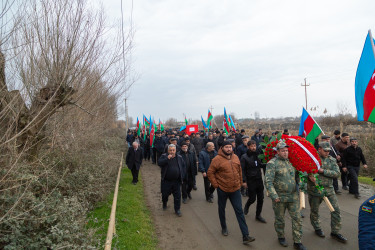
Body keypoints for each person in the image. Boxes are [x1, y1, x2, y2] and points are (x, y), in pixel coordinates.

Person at [207, 141, 255, 245]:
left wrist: (241, 182)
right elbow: (210, 172)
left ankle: (245, 235)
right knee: (222, 209)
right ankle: (224, 227)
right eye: (227, 147)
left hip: (235, 189)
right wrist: (216, 185)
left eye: (230, 147)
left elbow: (239, 170)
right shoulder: (217, 159)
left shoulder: (236, 157)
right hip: (223, 189)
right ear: (222, 148)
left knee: (239, 212)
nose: (229, 149)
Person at [265, 141, 305, 250]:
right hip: (280, 198)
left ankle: (297, 241)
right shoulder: (272, 163)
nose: (285, 152)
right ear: (277, 152)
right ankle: (281, 236)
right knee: (280, 219)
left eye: (287, 150)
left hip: (293, 196)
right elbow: (268, 182)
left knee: (297, 219)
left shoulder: (291, 162)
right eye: (283, 151)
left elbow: (298, 177)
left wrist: (301, 184)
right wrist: (274, 196)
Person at [307, 142, 347, 243]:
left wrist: (323, 171)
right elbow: (303, 171)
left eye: (329, 151)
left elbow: (337, 173)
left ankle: (335, 232)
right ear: (319, 149)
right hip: (315, 190)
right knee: (314, 211)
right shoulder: (312, 159)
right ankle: (317, 228)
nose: (327, 152)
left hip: (329, 189)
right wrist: (308, 176)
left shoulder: (331, 160)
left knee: (336, 210)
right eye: (325, 151)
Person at [241, 140, 266, 223]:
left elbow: (259, 165)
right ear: (248, 147)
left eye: (254, 146)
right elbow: (242, 170)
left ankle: (258, 215)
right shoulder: (244, 157)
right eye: (252, 146)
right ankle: (247, 205)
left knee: (261, 199)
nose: (253, 147)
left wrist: (267, 163)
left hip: (259, 179)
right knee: (252, 198)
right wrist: (244, 181)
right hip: (251, 180)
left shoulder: (257, 155)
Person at [158, 144, 186, 217]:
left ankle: (177, 210)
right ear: (168, 150)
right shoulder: (164, 156)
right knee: (165, 194)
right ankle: (164, 203)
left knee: (177, 196)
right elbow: (159, 163)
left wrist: (182, 175)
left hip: (176, 181)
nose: (172, 152)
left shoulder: (179, 157)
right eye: (170, 150)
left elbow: (183, 166)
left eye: (173, 150)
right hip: (166, 181)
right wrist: (167, 158)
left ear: (176, 150)